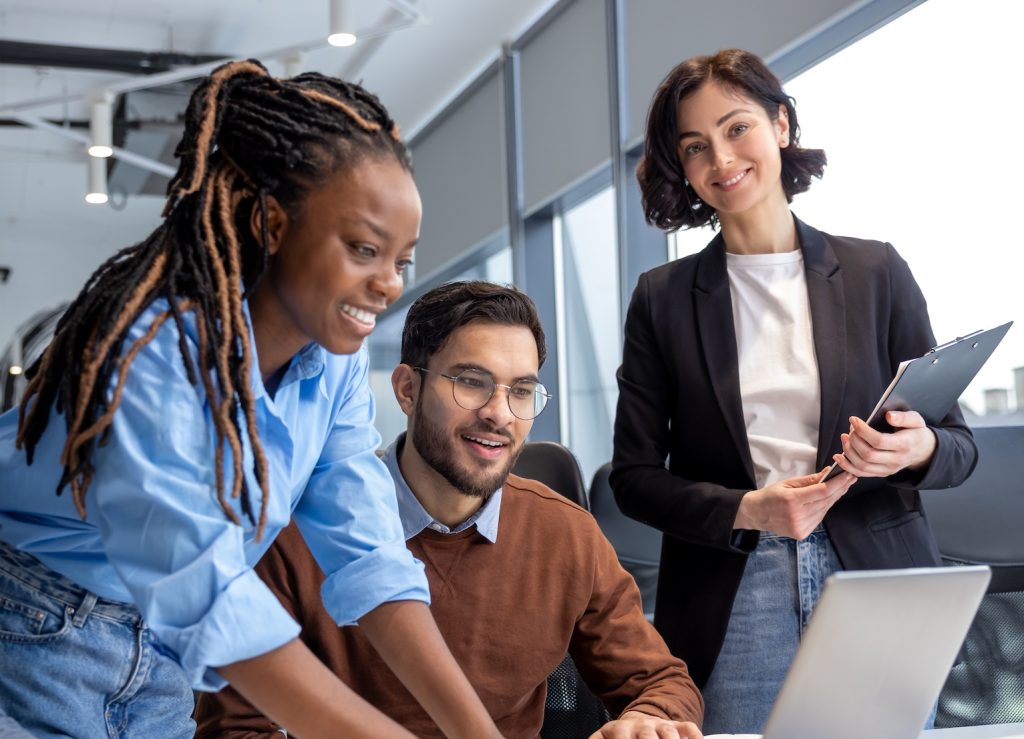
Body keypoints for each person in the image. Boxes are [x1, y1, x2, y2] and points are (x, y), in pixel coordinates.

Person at [0, 60, 502, 739]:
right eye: (363, 248)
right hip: (28, 626)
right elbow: (204, 590)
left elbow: (372, 560)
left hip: (163, 656)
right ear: (271, 222)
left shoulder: (333, 368)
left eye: (400, 261)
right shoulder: (153, 354)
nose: (388, 283)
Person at [611, 48, 977, 734]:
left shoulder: (876, 271)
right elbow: (631, 478)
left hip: (874, 577)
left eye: (736, 127)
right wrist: (751, 508)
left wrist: (914, 448)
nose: (721, 158)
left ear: (780, 125)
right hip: (732, 590)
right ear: (683, 169)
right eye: (695, 146)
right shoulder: (661, 300)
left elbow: (958, 448)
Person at [193, 280, 706, 739]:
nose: (499, 414)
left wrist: (649, 720)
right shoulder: (299, 531)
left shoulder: (565, 533)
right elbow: (233, 728)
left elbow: (661, 681)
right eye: (471, 381)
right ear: (407, 390)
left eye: (521, 391)